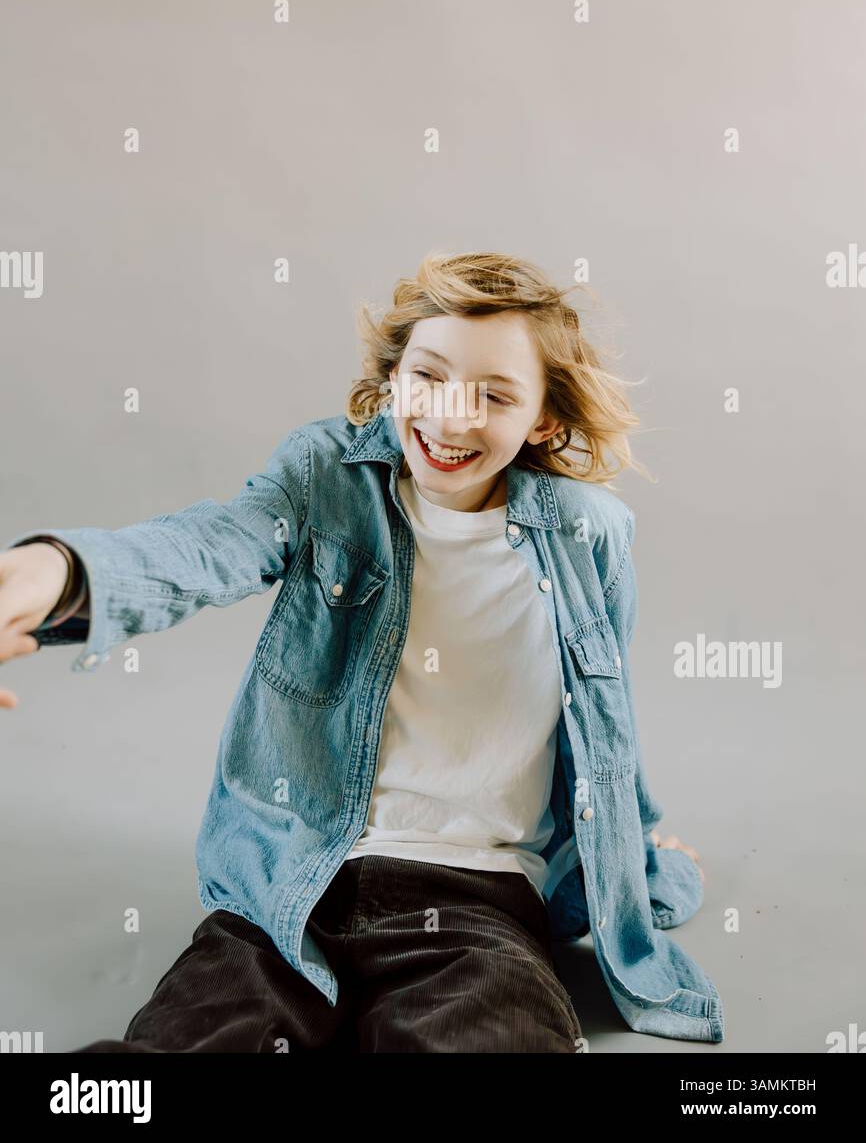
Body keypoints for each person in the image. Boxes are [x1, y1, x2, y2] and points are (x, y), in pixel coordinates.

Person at [0, 250, 720, 1051]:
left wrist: (642, 848)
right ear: (393, 378)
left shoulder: (593, 537)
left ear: (544, 418)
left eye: (493, 394)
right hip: (285, 893)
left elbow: (600, 724)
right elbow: (205, 547)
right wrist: (60, 568)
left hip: (478, 908)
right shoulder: (325, 479)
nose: (451, 418)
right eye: (429, 377)